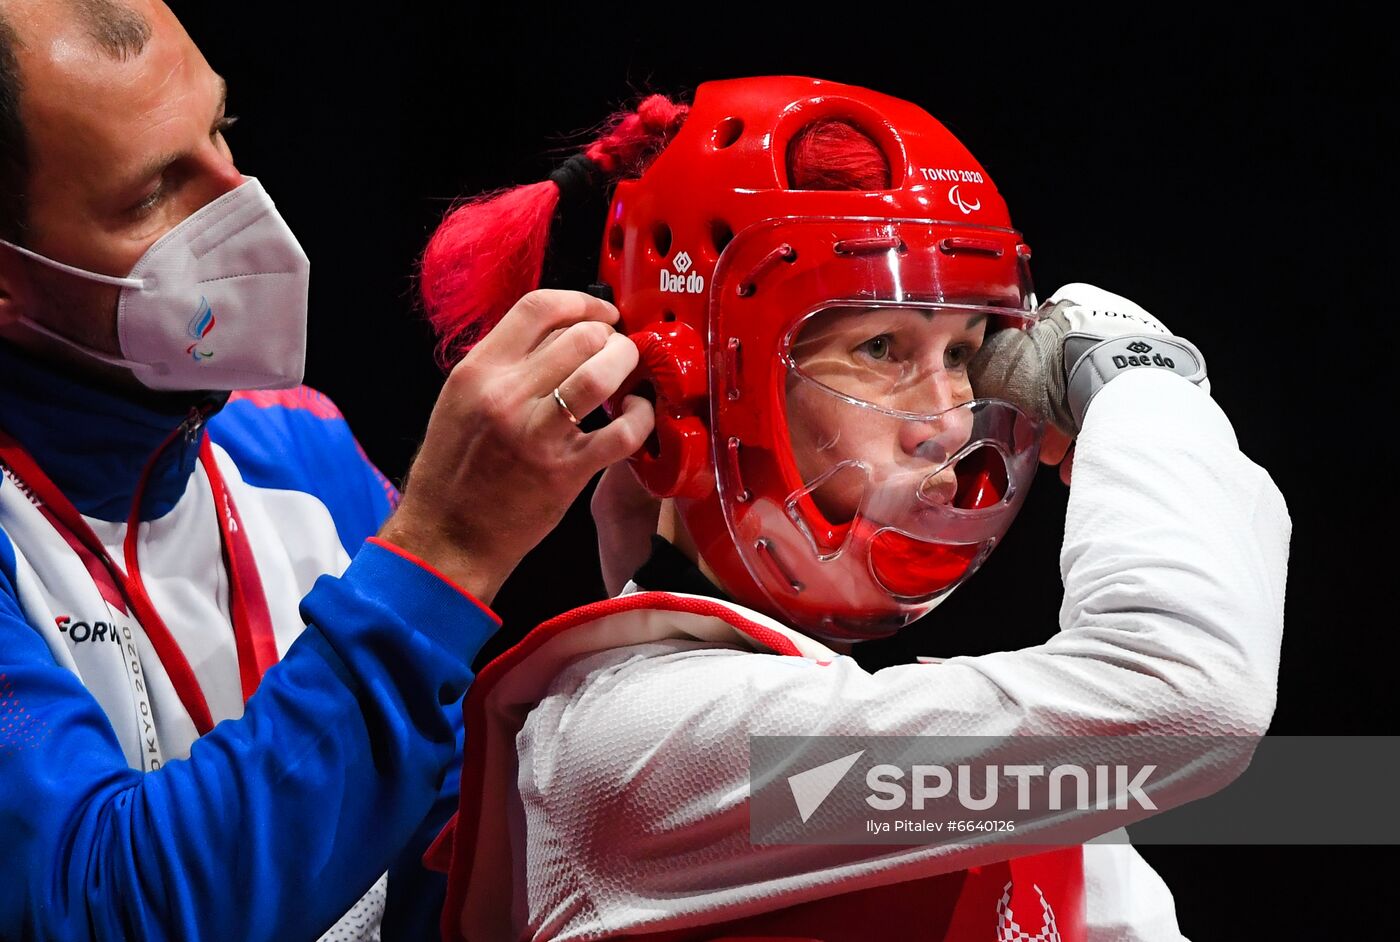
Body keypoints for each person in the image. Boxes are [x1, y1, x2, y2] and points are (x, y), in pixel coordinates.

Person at [419, 77, 1290, 940]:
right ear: (697, 392)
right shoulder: (642, 745)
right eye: (880, 346)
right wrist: (1142, 384)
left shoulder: (1021, 795)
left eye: (965, 352)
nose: (951, 420)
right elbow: (1186, 696)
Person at [0, 1, 651, 939]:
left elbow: (465, 868)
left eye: (222, 132)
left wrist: (664, 611)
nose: (241, 204)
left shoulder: (296, 449)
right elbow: (105, 910)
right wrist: (447, 549)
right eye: (151, 195)